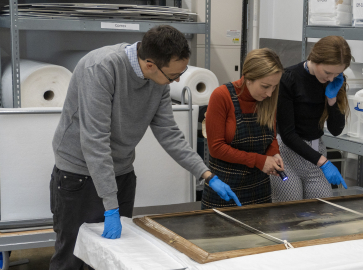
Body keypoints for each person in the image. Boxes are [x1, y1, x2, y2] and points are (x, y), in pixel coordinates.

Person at [49, 25, 240, 270]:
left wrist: (206, 174)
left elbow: (169, 133)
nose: (178, 80)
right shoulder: (100, 69)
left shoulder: (157, 80)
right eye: (173, 76)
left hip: (121, 173)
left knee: (113, 257)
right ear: (150, 64)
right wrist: (110, 206)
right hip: (78, 175)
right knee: (71, 259)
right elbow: (95, 141)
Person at [201, 48, 285, 209]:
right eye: (265, 86)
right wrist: (259, 160)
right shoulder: (222, 96)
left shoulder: (268, 98)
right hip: (224, 188)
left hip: (259, 187)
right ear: (248, 78)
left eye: (274, 87)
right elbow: (216, 148)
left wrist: (274, 153)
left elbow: (271, 137)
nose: (269, 93)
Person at [270, 36, 350, 202]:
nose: (331, 79)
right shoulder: (288, 79)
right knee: (290, 210)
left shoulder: (334, 81)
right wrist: (324, 163)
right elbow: (288, 134)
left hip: (316, 153)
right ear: (314, 58)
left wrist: (332, 100)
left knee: (321, 211)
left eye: (337, 74)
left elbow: (336, 130)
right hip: (287, 156)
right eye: (327, 72)